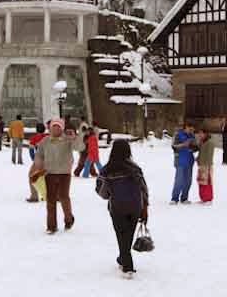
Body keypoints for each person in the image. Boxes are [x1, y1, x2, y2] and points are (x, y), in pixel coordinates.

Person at [96, 139, 149, 277]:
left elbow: (102, 191)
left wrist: (110, 194)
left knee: (121, 235)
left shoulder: (107, 170)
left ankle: (127, 266)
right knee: (128, 235)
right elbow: (144, 189)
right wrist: (145, 206)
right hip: (135, 206)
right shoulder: (135, 169)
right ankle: (123, 258)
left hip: (117, 206)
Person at [33, 118, 85, 233]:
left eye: (58, 127)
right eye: (53, 127)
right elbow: (39, 154)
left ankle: (68, 219)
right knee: (50, 200)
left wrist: (76, 137)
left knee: (63, 197)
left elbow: (80, 147)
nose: (55, 129)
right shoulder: (45, 141)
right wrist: (39, 164)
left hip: (64, 173)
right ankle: (51, 226)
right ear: (50, 128)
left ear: (61, 129)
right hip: (49, 173)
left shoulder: (67, 139)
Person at [170, 123, 197, 204]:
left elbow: (195, 148)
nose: (191, 131)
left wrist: (193, 148)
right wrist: (184, 144)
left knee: (188, 181)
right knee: (179, 180)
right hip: (180, 161)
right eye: (189, 129)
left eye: (192, 129)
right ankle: (174, 198)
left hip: (189, 161)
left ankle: (184, 198)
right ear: (185, 128)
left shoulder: (192, 136)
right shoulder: (178, 135)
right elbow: (174, 146)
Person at [26, 123, 49, 203]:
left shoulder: (35, 138)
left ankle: (34, 195)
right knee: (47, 177)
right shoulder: (47, 137)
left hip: (39, 160)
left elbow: (31, 150)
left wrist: (34, 159)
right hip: (49, 160)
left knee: (31, 176)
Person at [196, 129, 215, 203]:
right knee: (201, 182)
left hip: (206, 166)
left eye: (201, 133)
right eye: (199, 133)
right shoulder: (202, 142)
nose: (200, 135)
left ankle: (208, 198)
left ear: (206, 134)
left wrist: (206, 165)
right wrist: (198, 159)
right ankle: (203, 198)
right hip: (201, 165)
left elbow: (209, 155)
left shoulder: (209, 143)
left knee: (207, 182)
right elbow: (201, 153)